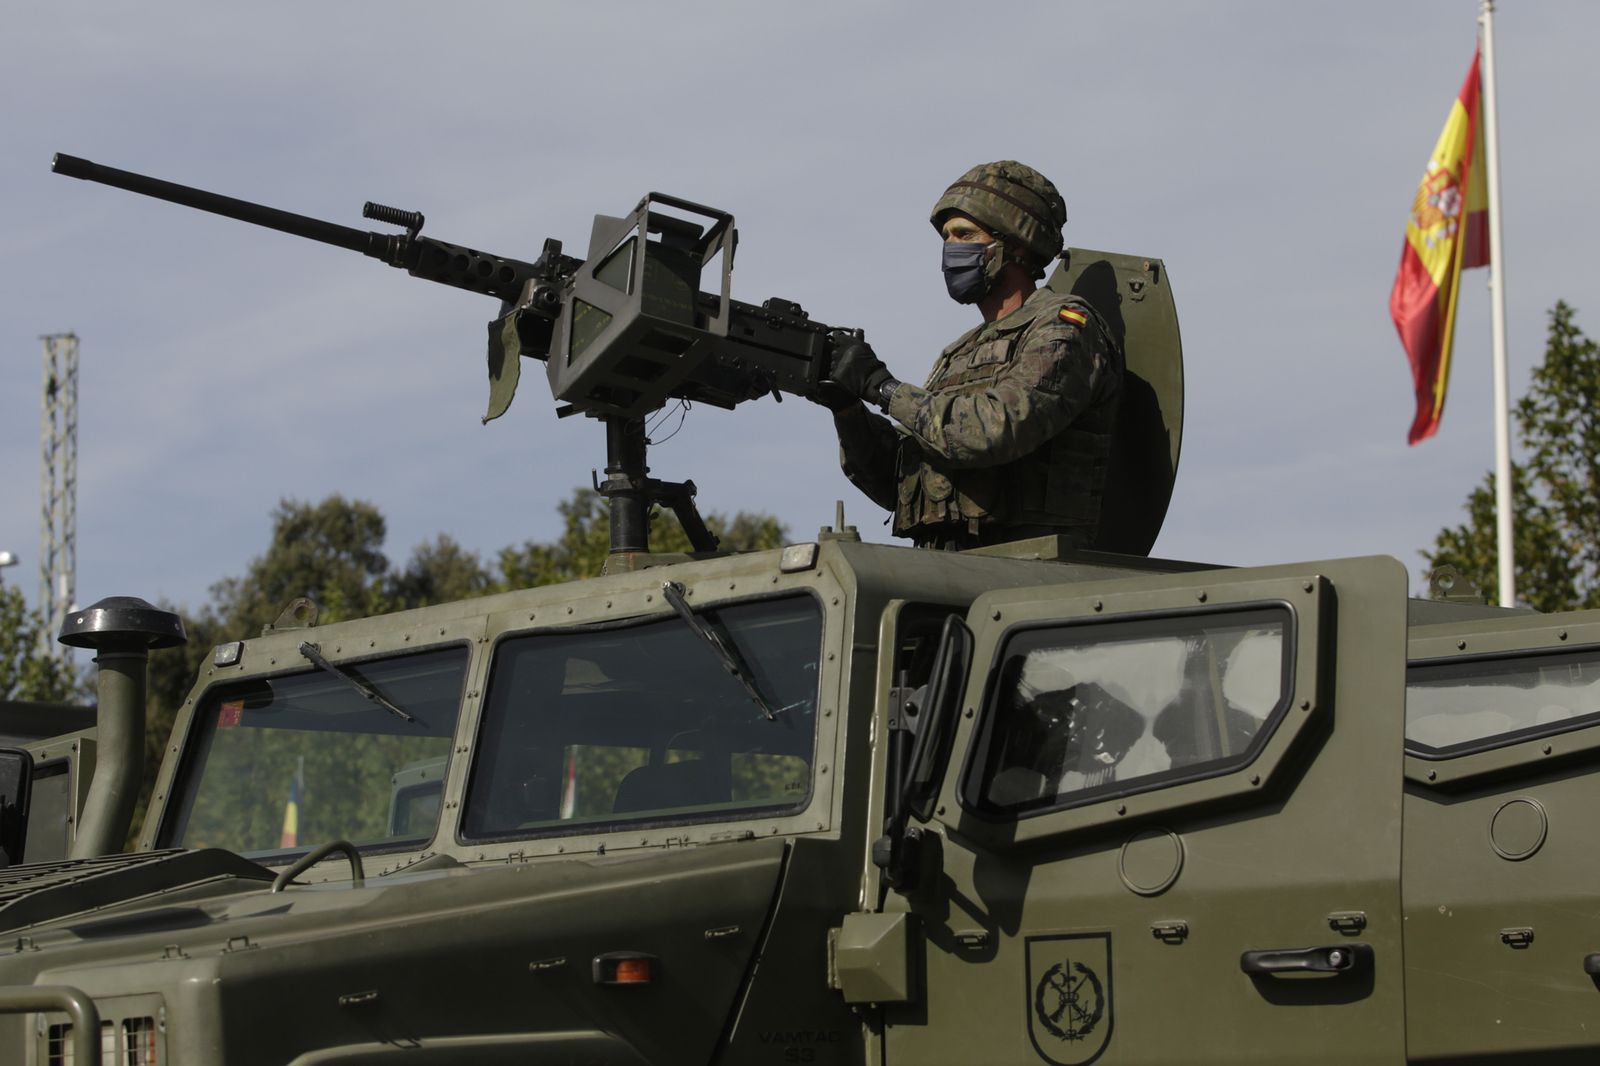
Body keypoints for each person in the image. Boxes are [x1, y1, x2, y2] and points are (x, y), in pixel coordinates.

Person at [817, 161, 1123, 550]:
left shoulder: (1064, 327)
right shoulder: (958, 353)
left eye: (964, 234)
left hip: (1032, 566)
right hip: (950, 567)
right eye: (946, 238)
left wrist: (884, 389)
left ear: (1014, 244)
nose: (950, 250)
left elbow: (994, 429)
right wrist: (848, 408)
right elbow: (901, 484)